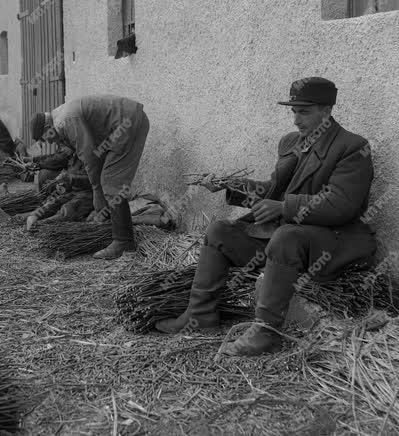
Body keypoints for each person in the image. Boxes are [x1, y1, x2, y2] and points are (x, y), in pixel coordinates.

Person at [155, 77, 377, 357]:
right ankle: (200, 316)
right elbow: (272, 190)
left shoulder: (352, 147)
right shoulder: (293, 143)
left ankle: (266, 333)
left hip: (333, 241)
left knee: (285, 236)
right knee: (219, 231)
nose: (296, 119)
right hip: (292, 238)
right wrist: (229, 185)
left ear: (327, 111)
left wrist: (284, 208)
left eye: (304, 111)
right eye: (293, 111)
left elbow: (342, 204)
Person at [31, 94, 150, 260]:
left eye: (45, 138)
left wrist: (97, 192)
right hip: (128, 122)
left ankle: (124, 242)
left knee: (110, 185)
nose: (49, 142)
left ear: (46, 128)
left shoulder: (66, 120)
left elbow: (90, 156)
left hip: (127, 124)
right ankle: (111, 231)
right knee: (108, 183)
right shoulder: (61, 117)